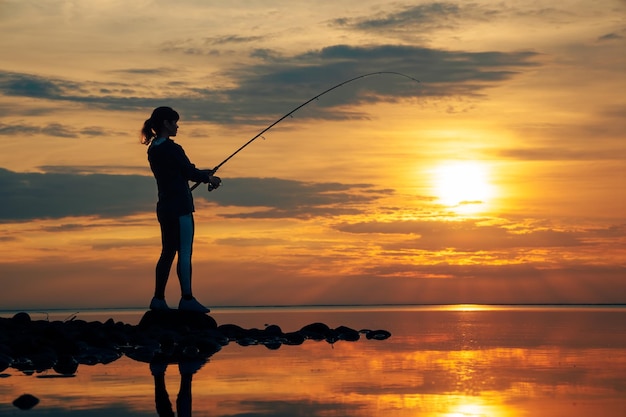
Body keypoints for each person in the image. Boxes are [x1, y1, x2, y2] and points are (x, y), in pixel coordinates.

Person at [141, 106, 221, 313]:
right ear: (166, 123)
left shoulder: (153, 149)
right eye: (174, 122)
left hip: (165, 207)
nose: (177, 126)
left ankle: (158, 299)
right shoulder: (172, 148)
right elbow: (188, 172)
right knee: (184, 252)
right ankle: (187, 299)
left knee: (167, 252)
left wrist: (203, 174)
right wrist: (209, 178)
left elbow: (182, 173)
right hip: (180, 208)